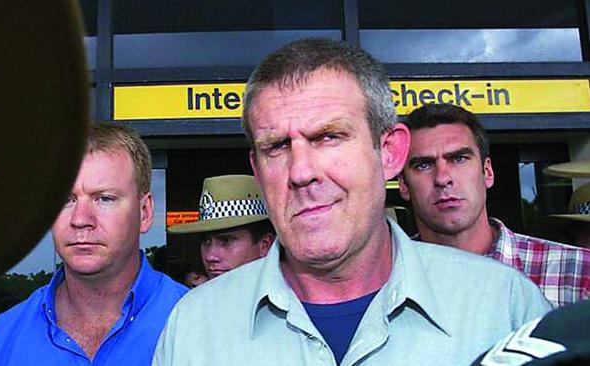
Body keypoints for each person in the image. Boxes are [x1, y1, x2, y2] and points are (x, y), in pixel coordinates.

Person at [154, 38, 551, 366]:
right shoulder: (194, 328)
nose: (301, 171)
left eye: (328, 137)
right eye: (277, 146)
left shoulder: (504, 307)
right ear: (257, 170)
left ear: (390, 153)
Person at [0, 124, 187, 365]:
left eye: (104, 198)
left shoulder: (195, 322)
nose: (81, 220)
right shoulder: (2, 341)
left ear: (144, 213)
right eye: (65, 200)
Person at [398, 103, 590, 308]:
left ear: (487, 172)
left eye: (459, 158)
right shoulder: (387, 280)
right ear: (403, 185)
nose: (443, 178)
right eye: (423, 165)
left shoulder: (577, 272)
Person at [168, 175, 275, 280]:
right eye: (206, 241)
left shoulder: (286, 296)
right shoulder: (195, 297)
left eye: (226, 240)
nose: (210, 256)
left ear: (264, 245)